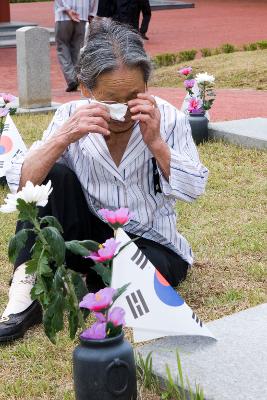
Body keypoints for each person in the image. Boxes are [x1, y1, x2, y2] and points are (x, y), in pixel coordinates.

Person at [0, 18, 208, 343]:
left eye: (134, 97)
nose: (124, 112)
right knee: (52, 172)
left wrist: (157, 145)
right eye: (111, 101)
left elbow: (194, 190)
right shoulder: (70, 117)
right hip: (87, 236)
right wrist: (62, 138)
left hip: (149, 241)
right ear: (86, 90)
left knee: (141, 277)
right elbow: (25, 186)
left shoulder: (167, 118)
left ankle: (94, 284)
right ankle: (26, 293)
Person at [54, 0, 99, 92]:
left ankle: (72, 79)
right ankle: (78, 79)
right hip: (82, 14)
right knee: (77, 49)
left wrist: (67, 9)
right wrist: (91, 13)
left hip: (63, 15)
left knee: (62, 47)